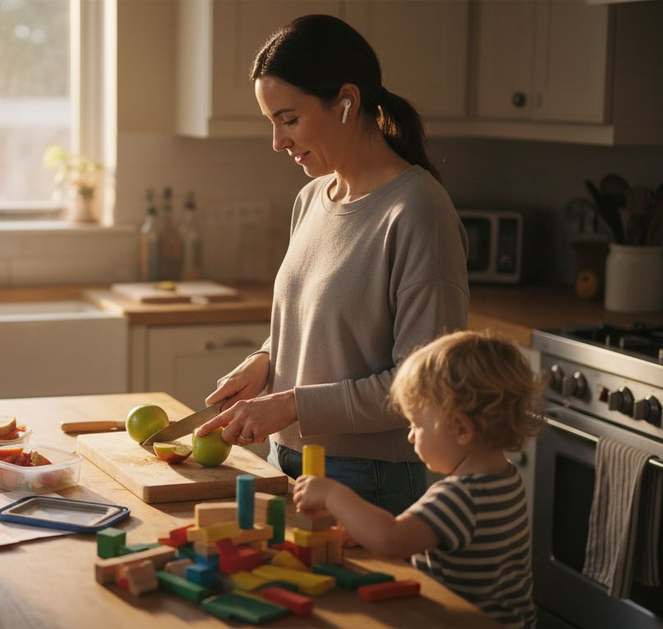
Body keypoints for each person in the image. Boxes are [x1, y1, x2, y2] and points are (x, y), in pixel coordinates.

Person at [195, 14, 469, 515]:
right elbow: (327, 325)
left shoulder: (417, 212)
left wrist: (291, 404)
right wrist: (266, 361)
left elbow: (425, 386)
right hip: (287, 461)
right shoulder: (312, 199)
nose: (277, 142)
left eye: (289, 120)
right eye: (271, 121)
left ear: (346, 101)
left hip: (370, 481)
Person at [294, 330, 542, 628]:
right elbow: (421, 538)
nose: (410, 436)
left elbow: (392, 539)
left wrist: (333, 494)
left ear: (461, 429)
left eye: (416, 425)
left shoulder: (460, 497)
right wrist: (361, 531)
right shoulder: (506, 477)